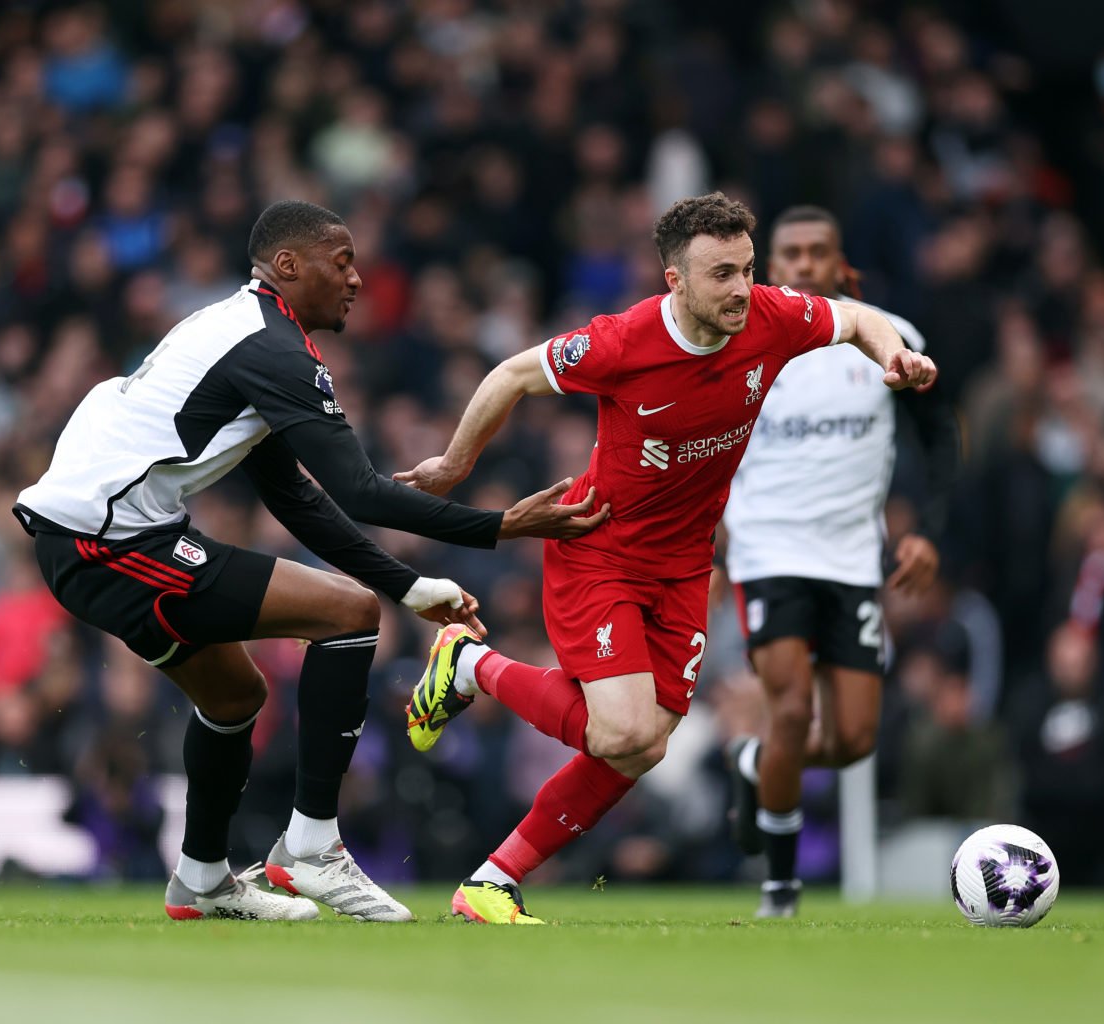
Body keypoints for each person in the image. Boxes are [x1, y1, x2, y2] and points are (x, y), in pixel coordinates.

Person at [13, 199, 605, 922]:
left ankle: (201, 881)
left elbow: (294, 497)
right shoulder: (273, 348)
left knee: (235, 697)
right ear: (288, 265)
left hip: (101, 535)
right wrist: (505, 526)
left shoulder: (241, 330)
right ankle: (310, 850)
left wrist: (411, 586)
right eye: (342, 261)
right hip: (106, 541)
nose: (356, 279)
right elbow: (358, 490)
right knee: (348, 615)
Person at [396, 192, 937, 923]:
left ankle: (492, 880)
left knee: (641, 746)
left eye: (747, 269)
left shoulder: (773, 316)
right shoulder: (621, 342)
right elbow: (512, 376)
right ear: (674, 280)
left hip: (684, 566)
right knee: (621, 730)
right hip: (601, 548)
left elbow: (857, 318)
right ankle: (467, 665)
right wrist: (456, 464)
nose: (742, 289)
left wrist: (893, 355)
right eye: (722, 274)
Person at [720, 205, 959, 917]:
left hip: (854, 559)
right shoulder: (741, 342)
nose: (801, 265)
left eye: (815, 252)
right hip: (768, 549)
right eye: (788, 253)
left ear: (839, 262)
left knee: (851, 741)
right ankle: (780, 890)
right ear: (772, 265)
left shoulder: (890, 338)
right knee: (790, 709)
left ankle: (752, 765)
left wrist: (931, 532)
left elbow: (940, 439)